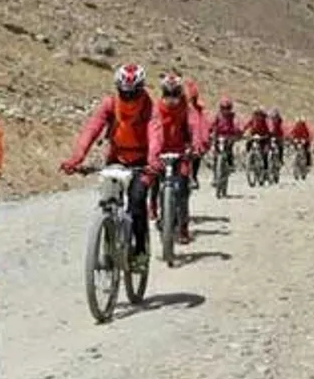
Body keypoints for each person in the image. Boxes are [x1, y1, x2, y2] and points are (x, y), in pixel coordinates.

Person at [60, 63, 160, 273]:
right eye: (125, 93)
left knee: (137, 202)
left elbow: (155, 134)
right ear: (118, 88)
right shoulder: (110, 104)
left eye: (134, 93)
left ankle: (140, 251)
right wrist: (76, 158)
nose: (129, 97)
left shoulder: (150, 107)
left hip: (142, 163)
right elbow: (92, 129)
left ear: (141, 90)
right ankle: (108, 247)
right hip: (116, 157)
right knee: (108, 202)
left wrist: (152, 161)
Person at [149, 73, 206, 245]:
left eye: (175, 94)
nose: (171, 98)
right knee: (154, 180)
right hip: (161, 151)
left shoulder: (186, 108)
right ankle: (156, 209)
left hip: (181, 152)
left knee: (182, 190)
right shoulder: (156, 108)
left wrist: (196, 145)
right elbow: (154, 130)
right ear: (162, 93)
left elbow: (195, 125)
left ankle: (183, 228)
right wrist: (153, 153)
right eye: (167, 94)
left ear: (180, 93)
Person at [184, 78, 208, 190]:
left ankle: (193, 176)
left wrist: (203, 140)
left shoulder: (199, 110)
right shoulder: (181, 108)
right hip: (183, 135)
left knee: (195, 156)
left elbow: (202, 125)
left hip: (194, 138)